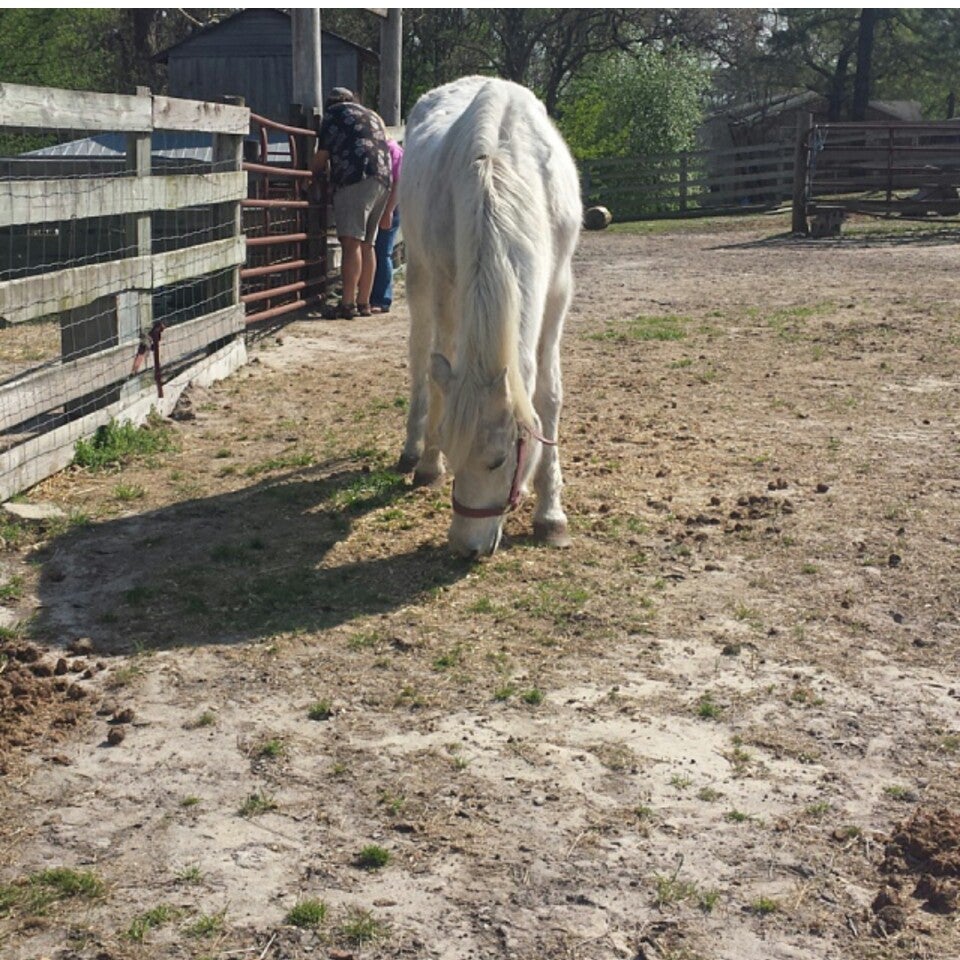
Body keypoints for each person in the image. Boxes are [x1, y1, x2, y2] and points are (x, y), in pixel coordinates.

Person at [311, 88, 391, 319]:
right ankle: (364, 302)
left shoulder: (334, 115)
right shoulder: (371, 115)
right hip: (383, 178)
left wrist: (311, 176)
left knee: (351, 242)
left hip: (356, 175)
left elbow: (321, 156)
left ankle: (347, 303)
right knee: (368, 244)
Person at [371, 138, 403, 314]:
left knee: (383, 251)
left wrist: (388, 211)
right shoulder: (383, 148)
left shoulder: (392, 151)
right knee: (374, 250)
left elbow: (398, 182)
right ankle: (372, 296)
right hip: (380, 205)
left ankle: (382, 298)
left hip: (389, 206)